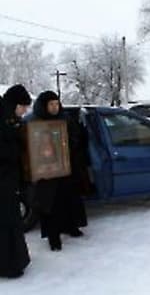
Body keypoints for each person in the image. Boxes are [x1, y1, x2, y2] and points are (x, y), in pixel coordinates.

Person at [28, 91, 88, 251]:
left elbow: (76, 138)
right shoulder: (36, 122)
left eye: (56, 104)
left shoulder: (65, 118)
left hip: (67, 168)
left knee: (69, 200)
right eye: (51, 104)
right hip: (48, 172)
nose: (55, 107)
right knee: (51, 204)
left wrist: (68, 147)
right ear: (44, 106)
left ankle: (71, 226)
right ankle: (54, 238)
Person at [0, 84, 31, 278]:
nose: (25, 111)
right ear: (14, 104)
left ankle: (15, 261)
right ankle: (8, 265)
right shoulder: (3, 121)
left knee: (11, 222)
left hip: (7, 181)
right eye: (23, 107)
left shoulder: (9, 119)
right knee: (5, 224)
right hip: (2, 181)